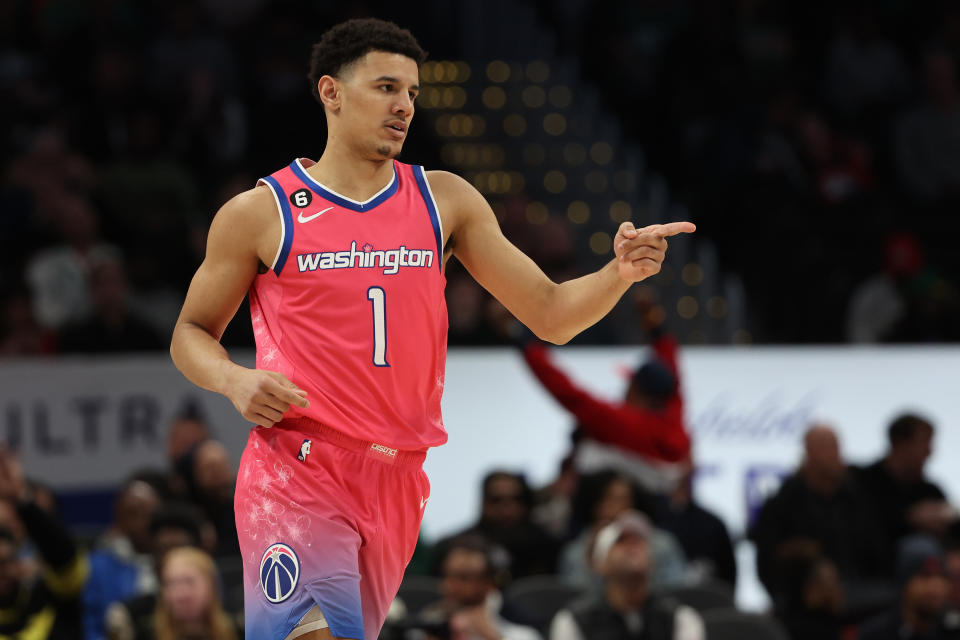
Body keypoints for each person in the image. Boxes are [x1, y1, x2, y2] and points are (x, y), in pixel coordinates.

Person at [169, 18, 694, 640]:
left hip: (399, 477)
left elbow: (552, 315)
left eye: (413, 93)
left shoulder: (445, 200)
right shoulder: (262, 211)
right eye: (387, 87)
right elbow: (190, 333)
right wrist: (233, 381)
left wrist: (619, 273)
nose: (404, 106)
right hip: (300, 465)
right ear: (331, 92)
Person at [510, 290, 691, 494]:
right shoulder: (673, 410)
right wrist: (651, 315)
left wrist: (523, 340)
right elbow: (670, 360)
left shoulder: (623, 423)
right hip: (663, 494)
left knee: (588, 452)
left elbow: (567, 392)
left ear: (637, 389)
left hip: (632, 502)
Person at [750, 424, 886, 596]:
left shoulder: (859, 494)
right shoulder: (783, 502)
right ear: (807, 453)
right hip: (804, 595)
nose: (833, 454)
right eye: (824, 447)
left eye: (835, 446)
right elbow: (767, 561)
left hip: (860, 585)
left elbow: (877, 549)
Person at [549, 511, 704, 640]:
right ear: (600, 564)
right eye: (621, 541)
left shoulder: (681, 618)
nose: (633, 547)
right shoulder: (572, 621)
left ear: (653, 562)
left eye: (639, 541)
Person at [0, 447, 88, 639]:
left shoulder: (51, 597)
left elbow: (64, 559)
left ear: (19, 563)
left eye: (5, 562)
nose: (2, 572)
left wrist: (23, 500)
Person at [855, 414, 956, 575]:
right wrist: (911, 518)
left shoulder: (930, 490)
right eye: (924, 443)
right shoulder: (862, 482)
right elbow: (863, 530)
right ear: (900, 444)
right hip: (876, 569)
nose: (929, 451)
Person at [432, 471, 559, 581]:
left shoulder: (546, 546)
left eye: (516, 499)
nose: (507, 509)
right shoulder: (454, 547)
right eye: (497, 500)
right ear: (483, 502)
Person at [415, 535, 541, 640]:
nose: (449, 586)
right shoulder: (431, 617)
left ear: (488, 583)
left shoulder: (515, 619)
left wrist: (492, 636)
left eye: (463, 578)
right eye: (447, 576)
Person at [84, 478, 162, 640]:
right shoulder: (96, 568)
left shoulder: (174, 561)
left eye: (149, 513)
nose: (142, 521)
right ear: (118, 517)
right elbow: (90, 626)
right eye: (133, 513)